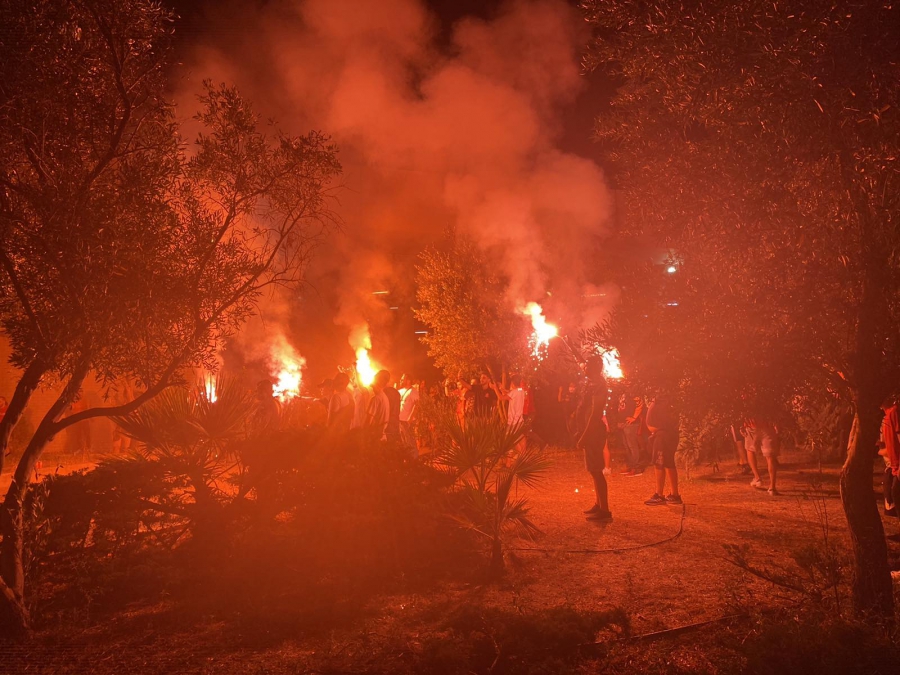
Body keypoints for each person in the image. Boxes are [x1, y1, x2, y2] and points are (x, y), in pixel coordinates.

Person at [578, 357, 612, 521]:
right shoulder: (594, 383)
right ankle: (599, 504)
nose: (584, 368)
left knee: (597, 471)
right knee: (593, 470)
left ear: (594, 368)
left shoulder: (599, 386)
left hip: (593, 432)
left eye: (587, 366)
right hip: (590, 431)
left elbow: (595, 414)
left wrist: (584, 436)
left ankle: (605, 511)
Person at [644, 395, 682, 506]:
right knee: (669, 463)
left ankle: (659, 495)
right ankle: (675, 495)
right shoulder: (663, 399)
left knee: (659, 463)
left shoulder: (664, 400)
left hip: (663, 435)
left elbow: (665, 421)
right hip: (664, 434)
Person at [744, 418, 780, 496]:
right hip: (768, 425)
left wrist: (742, 425)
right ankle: (772, 487)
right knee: (770, 457)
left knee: (750, 449)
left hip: (752, 425)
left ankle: (757, 478)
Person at [878, 395, 899, 516]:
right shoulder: (886, 418)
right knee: (895, 494)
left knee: (896, 493)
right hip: (893, 466)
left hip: (896, 465)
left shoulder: (894, 412)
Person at [620, 394, 646, 476]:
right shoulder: (624, 391)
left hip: (632, 424)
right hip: (624, 423)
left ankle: (636, 468)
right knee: (627, 446)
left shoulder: (634, 390)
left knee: (632, 446)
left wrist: (634, 418)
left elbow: (640, 404)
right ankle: (631, 466)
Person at [398, 374, 420, 458]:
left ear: (408, 381)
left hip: (408, 421)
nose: (401, 380)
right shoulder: (400, 391)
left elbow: (417, 405)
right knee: (404, 441)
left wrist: (410, 419)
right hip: (400, 420)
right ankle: (407, 458)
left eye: (403, 379)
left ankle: (414, 459)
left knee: (410, 440)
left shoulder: (413, 391)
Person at [365, 370, 391, 440]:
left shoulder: (376, 399)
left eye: (375, 377)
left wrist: (363, 436)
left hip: (375, 438)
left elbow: (369, 421)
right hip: (382, 437)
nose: (372, 389)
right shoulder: (384, 397)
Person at [383, 376, 401, 444]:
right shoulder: (396, 392)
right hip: (395, 420)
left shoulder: (386, 392)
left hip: (388, 422)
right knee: (393, 443)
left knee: (387, 443)